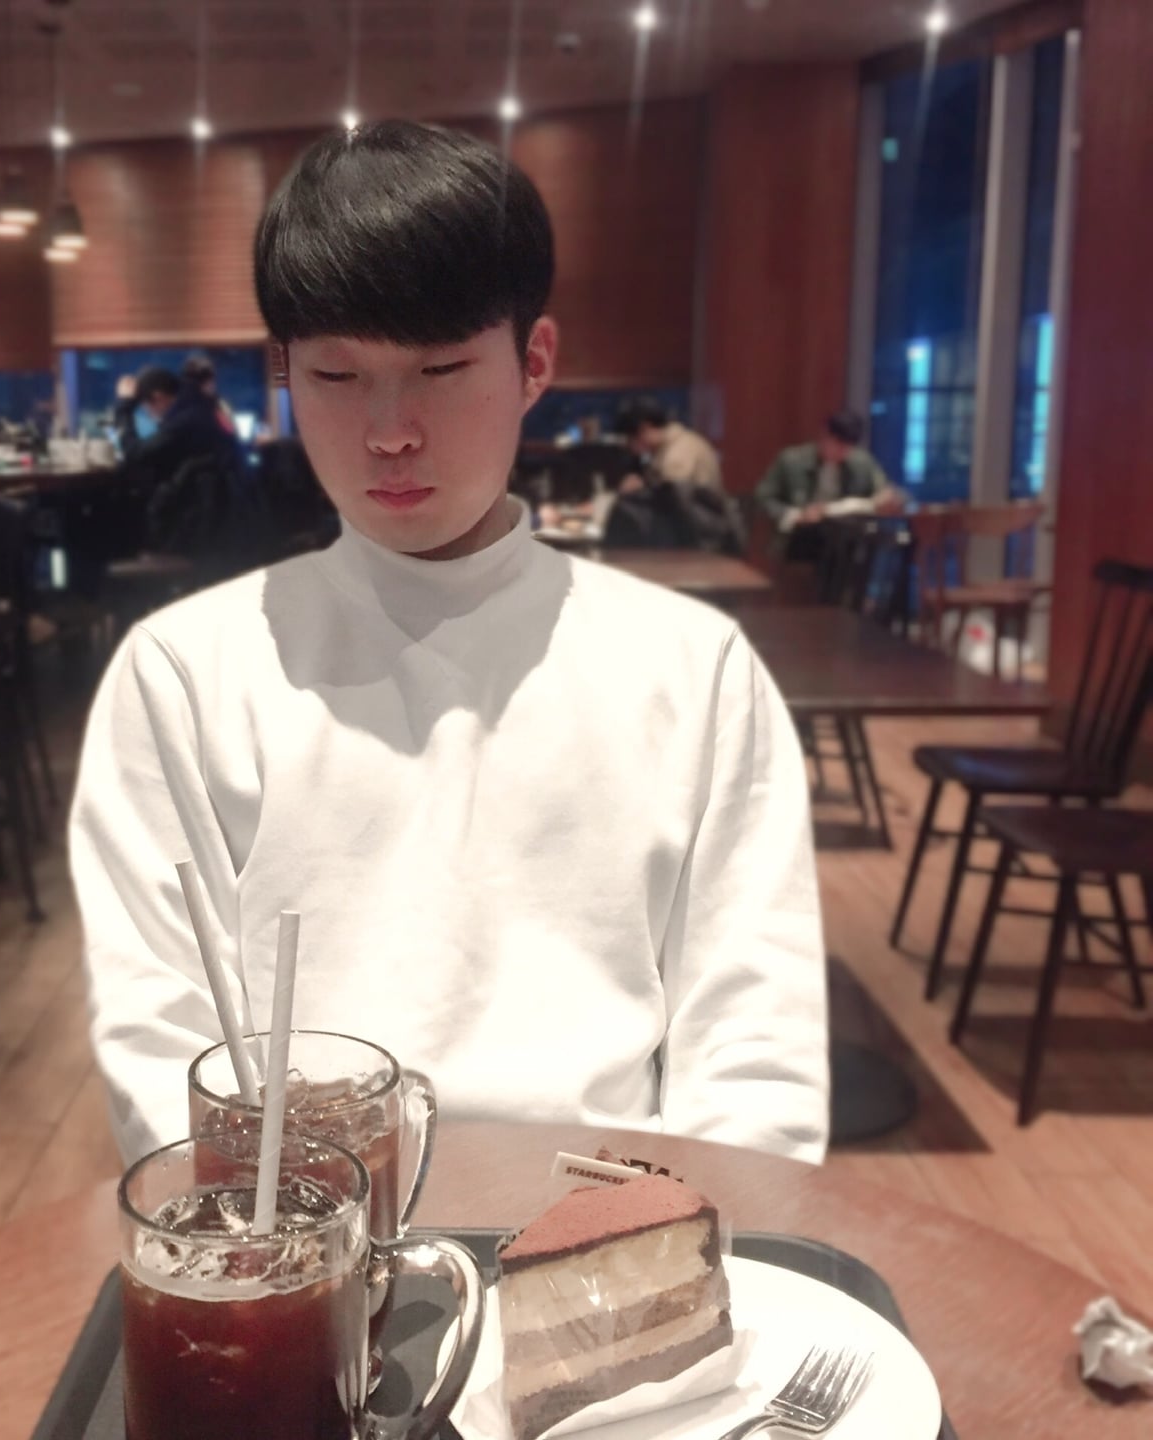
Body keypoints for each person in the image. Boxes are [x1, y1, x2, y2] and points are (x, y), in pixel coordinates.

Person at [71, 121, 828, 1169]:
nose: (390, 430)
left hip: (616, 1224)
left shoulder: (694, 670)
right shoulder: (184, 673)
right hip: (302, 1232)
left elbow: (755, 1056)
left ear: (534, 362)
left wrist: (672, 1238)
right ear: (284, 371)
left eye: (440, 368)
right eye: (337, 376)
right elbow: (160, 1042)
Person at [614, 397, 745, 554]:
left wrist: (638, 491)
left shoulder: (679, 451)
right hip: (697, 534)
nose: (630, 446)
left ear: (645, 428)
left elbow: (670, 501)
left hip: (705, 540)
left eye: (631, 439)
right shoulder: (667, 448)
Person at [755, 412, 894, 552]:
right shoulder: (791, 460)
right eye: (837, 445)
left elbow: (884, 489)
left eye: (847, 448)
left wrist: (886, 498)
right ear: (824, 436)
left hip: (846, 540)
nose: (841, 452)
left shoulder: (862, 462)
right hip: (797, 538)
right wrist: (796, 515)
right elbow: (762, 498)